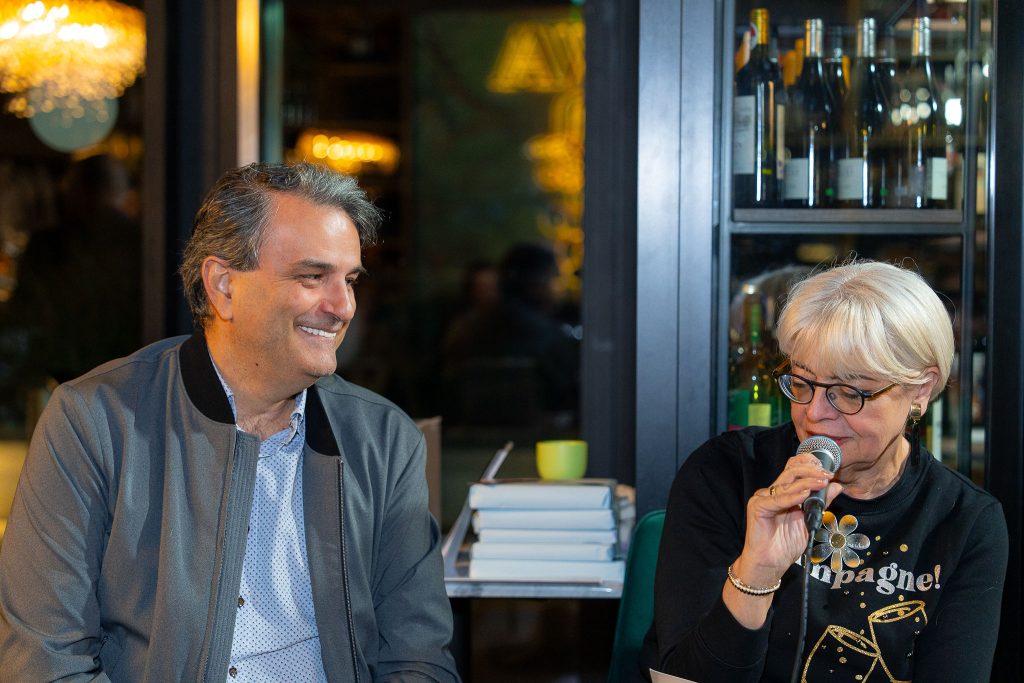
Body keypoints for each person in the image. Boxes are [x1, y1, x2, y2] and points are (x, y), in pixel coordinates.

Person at [0, 162, 460, 682]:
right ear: (223, 286)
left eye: (349, 280)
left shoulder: (384, 440)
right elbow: (44, 659)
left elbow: (419, 658)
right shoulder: (96, 421)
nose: (343, 306)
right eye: (313, 277)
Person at [638, 260, 1007, 682]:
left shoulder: (964, 520)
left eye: (849, 392)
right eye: (802, 383)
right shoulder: (725, 475)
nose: (814, 414)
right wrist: (757, 572)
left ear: (920, 390)